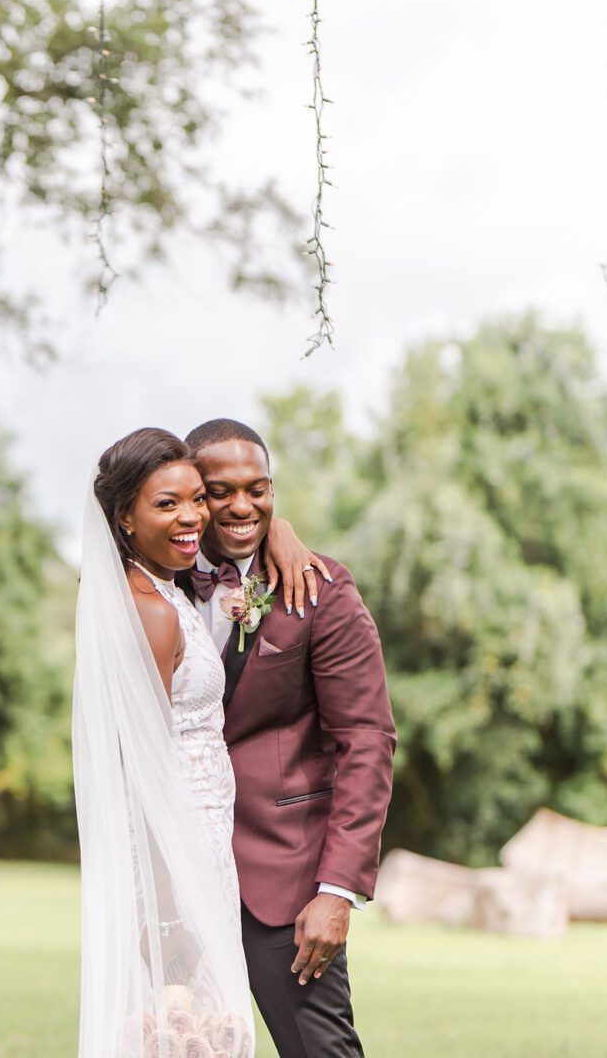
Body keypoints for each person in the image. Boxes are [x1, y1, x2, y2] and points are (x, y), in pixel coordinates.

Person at [72, 427, 326, 1058]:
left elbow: (239, 523)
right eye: (167, 504)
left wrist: (281, 530)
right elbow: (141, 770)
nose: (191, 518)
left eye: (195, 500)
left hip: (203, 852)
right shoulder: (152, 611)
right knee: (193, 1038)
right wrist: (168, 916)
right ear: (124, 518)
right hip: (174, 864)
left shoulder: (169, 586)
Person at [175, 417, 396, 1058]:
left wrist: (337, 891)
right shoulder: (157, 584)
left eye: (260, 488)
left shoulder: (318, 591)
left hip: (281, 879)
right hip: (179, 872)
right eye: (220, 491)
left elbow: (367, 740)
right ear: (192, 495)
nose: (244, 506)